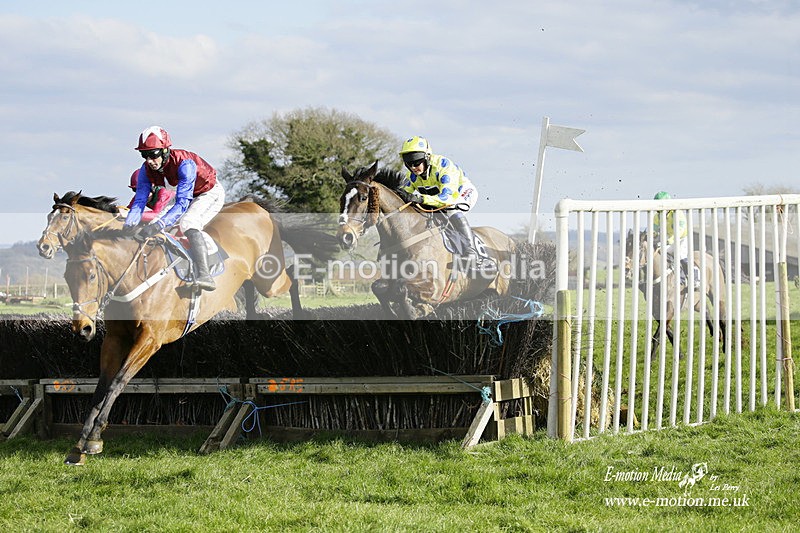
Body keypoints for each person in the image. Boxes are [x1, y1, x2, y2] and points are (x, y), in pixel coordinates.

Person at [124, 126, 225, 291]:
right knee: (154, 223)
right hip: (183, 194)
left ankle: (204, 274)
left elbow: (182, 204)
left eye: (153, 154)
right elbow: (139, 201)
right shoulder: (145, 169)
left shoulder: (185, 164)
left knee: (188, 222)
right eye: (144, 155)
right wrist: (128, 225)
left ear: (165, 151)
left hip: (208, 193)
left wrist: (159, 226)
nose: (149, 160)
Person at [397, 136, 494, 273]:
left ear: (427, 157)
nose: (413, 167)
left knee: (451, 210)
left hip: (461, 193)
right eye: (409, 163)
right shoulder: (412, 176)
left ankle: (473, 255)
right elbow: (403, 195)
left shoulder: (444, 167)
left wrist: (420, 199)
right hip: (436, 198)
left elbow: (446, 198)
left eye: (417, 162)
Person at [652, 191, 699, 288]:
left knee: (680, 255)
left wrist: (669, 240)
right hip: (668, 239)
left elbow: (680, 230)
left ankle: (694, 277)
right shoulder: (657, 216)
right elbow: (655, 230)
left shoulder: (677, 213)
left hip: (681, 239)